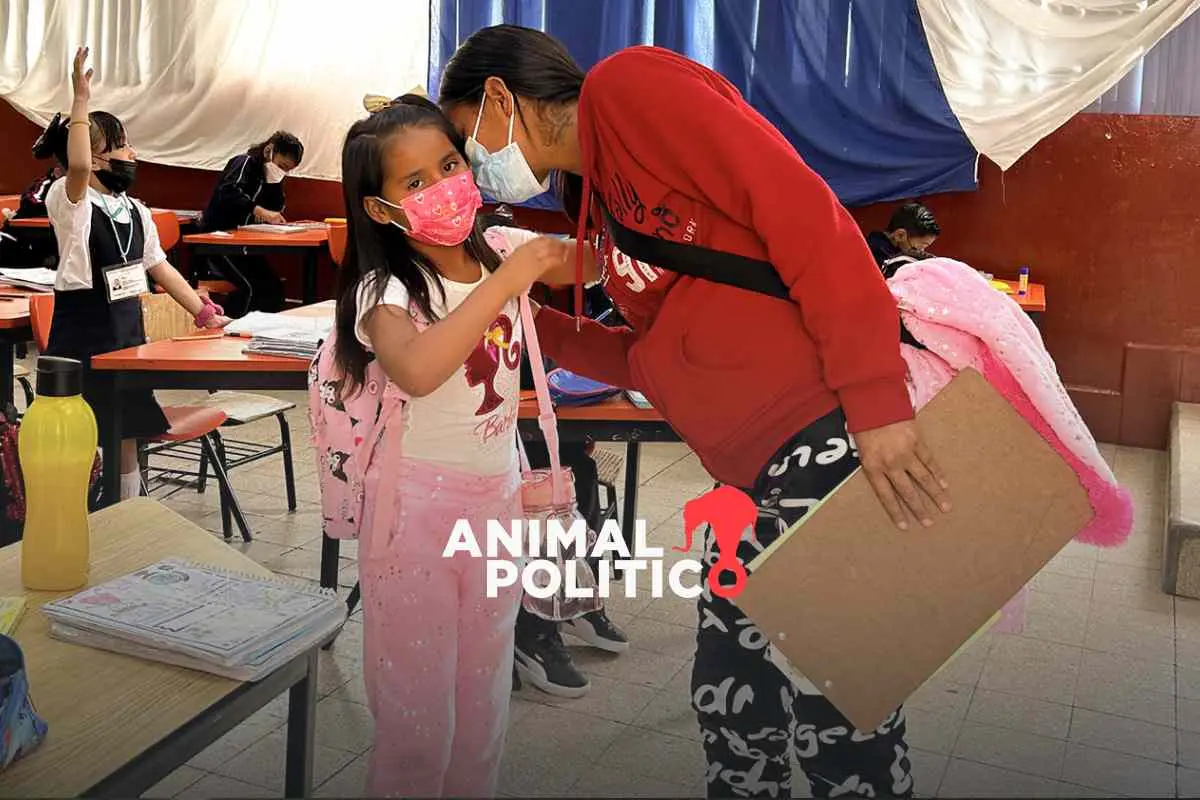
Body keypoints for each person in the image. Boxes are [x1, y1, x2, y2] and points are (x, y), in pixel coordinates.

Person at [439, 26, 952, 799]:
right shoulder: (601, 197)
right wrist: (521, 320)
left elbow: (807, 217)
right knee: (732, 699)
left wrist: (876, 403)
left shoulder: (632, 89)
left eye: (465, 136)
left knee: (841, 712)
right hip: (748, 476)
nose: (476, 163)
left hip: (818, 436)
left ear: (503, 99)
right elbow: (651, 353)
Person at [317, 93, 569, 797]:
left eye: (450, 164)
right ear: (380, 209)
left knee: (484, 703)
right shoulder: (386, 290)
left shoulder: (504, 254)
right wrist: (510, 281)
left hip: (497, 506)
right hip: (415, 522)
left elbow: (595, 264)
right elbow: (422, 370)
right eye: (415, 181)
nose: (443, 187)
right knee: (417, 719)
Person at [35, 48, 229, 503]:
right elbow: (77, 166)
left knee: (126, 431)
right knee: (86, 429)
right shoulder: (69, 203)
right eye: (122, 146)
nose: (132, 153)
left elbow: (159, 267)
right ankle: (76, 508)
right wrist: (80, 101)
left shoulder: (136, 211)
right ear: (97, 159)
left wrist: (203, 311)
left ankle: (126, 507)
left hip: (126, 335)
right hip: (83, 333)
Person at [513, 335, 629, 699]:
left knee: (579, 471)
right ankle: (533, 632)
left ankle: (575, 598)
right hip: (484, 427)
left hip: (543, 393)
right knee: (541, 490)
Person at [199, 131, 304, 315]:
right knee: (250, 288)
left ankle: (267, 330)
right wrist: (258, 210)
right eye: (281, 166)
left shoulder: (271, 177)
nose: (282, 172)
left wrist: (273, 185)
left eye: (287, 169)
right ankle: (228, 326)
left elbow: (276, 207)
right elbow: (228, 192)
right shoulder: (244, 163)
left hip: (245, 245)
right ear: (269, 150)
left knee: (273, 287)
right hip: (219, 243)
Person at [866, 202, 941, 279]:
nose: (920, 252)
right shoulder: (875, 254)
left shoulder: (891, 247)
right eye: (915, 249)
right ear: (900, 235)